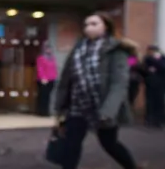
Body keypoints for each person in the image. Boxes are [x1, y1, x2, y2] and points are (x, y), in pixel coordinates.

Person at [54, 12, 140, 169]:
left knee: (109, 144)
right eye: (86, 25)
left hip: (102, 107)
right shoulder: (78, 48)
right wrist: (60, 106)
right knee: (70, 145)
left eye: (94, 24)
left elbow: (119, 84)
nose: (88, 28)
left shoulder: (116, 50)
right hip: (78, 106)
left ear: (106, 27)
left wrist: (108, 111)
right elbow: (67, 80)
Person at [143, 45, 165, 128]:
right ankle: (149, 119)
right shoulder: (146, 59)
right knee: (149, 102)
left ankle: (159, 120)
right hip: (150, 84)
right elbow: (141, 69)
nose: (149, 53)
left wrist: (154, 60)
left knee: (160, 102)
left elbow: (164, 68)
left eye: (151, 52)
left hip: (161, 84)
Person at [36, 42, 57, 116]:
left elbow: (54, 68)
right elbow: (39, 69)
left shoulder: (52, 58)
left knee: (48, 96)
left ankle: (47, 111)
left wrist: (55, 77)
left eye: (50, 48)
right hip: (43, 80)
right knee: (43, 96)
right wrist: (42, 78)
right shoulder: (40, 58)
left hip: (51, 79)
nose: (49, 50)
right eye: (47, 48)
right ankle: (41, 112)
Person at [123, 39, 143, 107]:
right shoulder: (131, 57)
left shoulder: (134, 57)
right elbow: (132, 67)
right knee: (129, 99)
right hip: (130, 80)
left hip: (133, 80)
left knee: (130, 98)